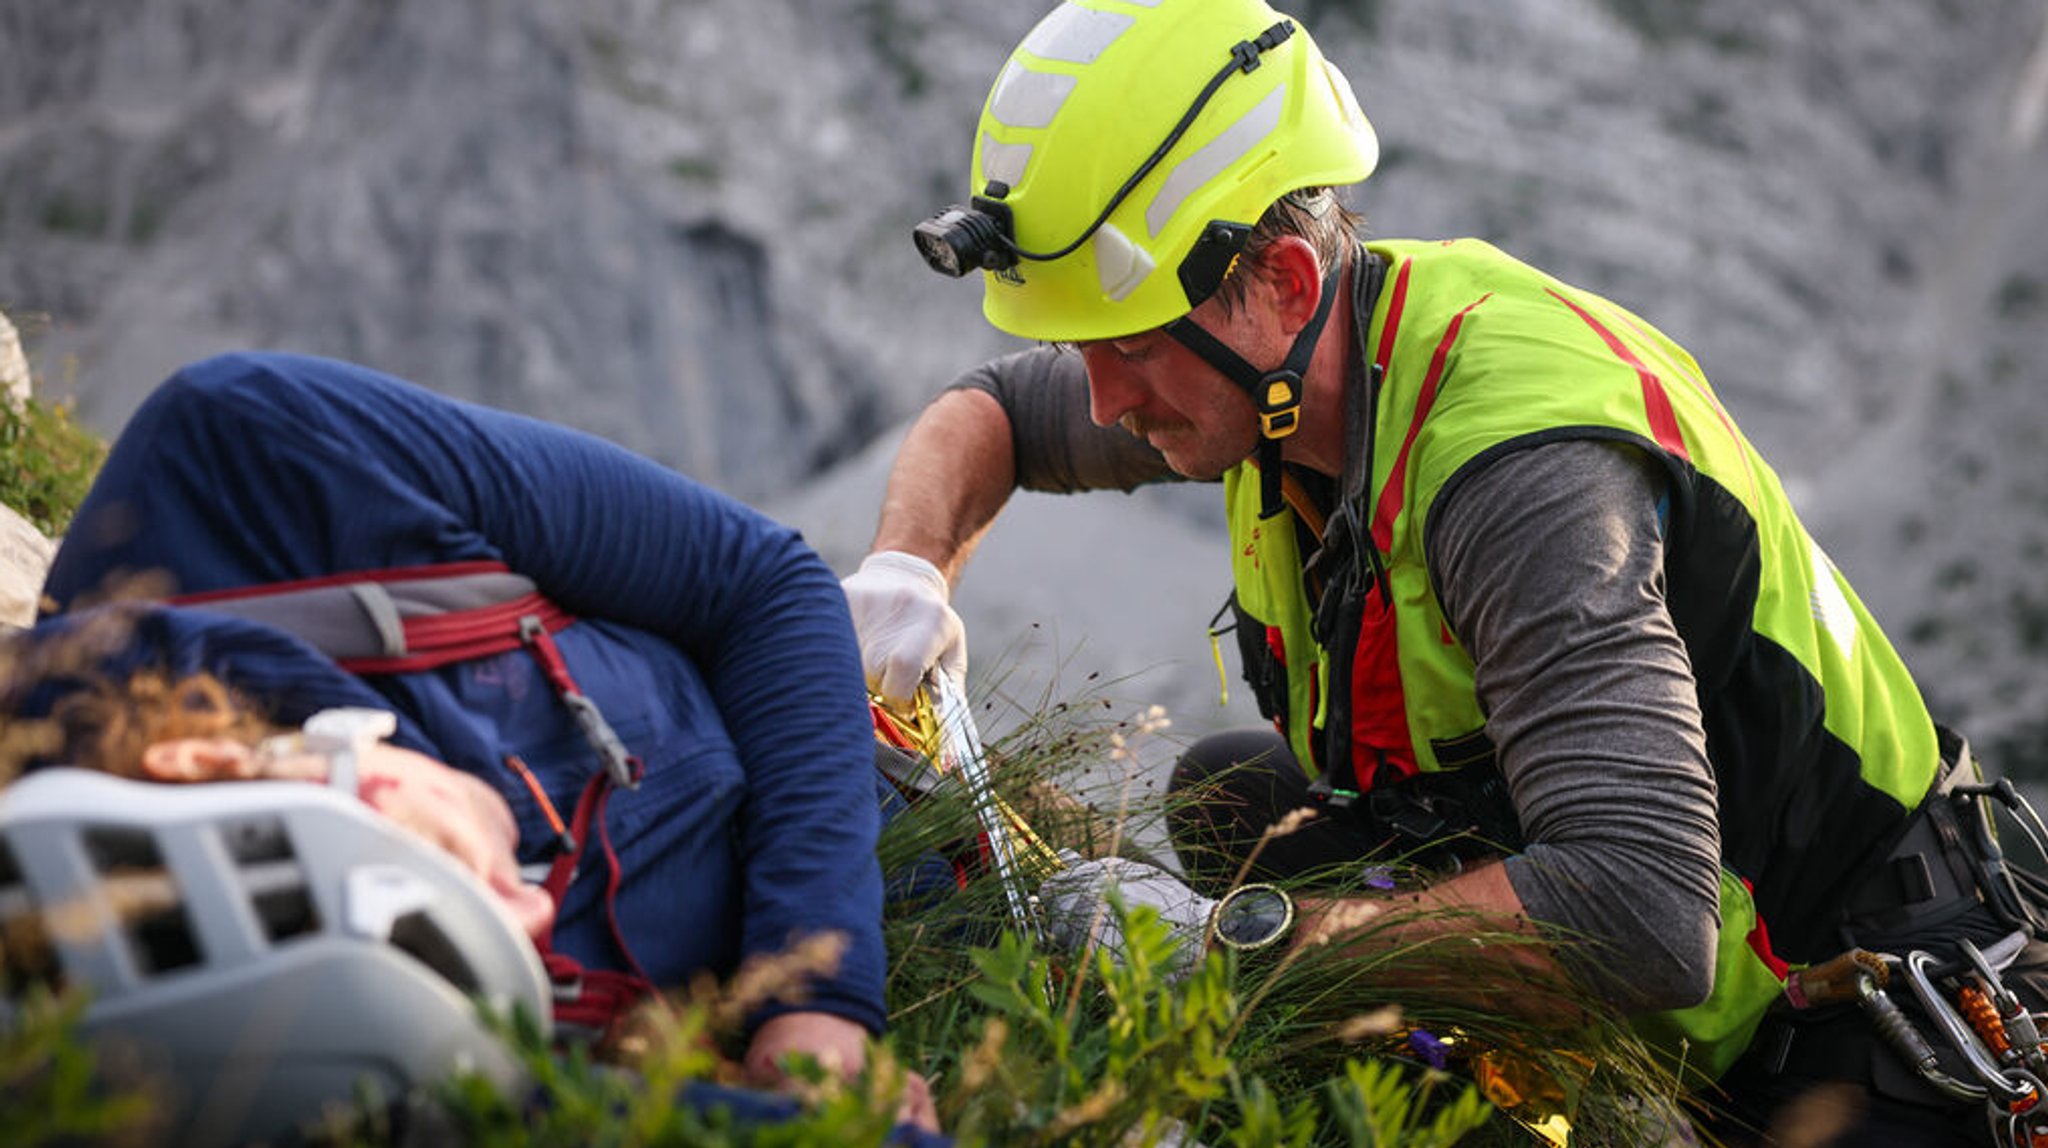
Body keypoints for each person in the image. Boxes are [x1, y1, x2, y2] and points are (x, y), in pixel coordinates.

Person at [841, 1, 2048, 1143]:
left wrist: (1228, 943)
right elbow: (992, 412)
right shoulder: (1265, 360)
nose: (1103, 401)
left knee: (1259, 880)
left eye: (1133, 350)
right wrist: (904, 567)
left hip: (1853, 1015)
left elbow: (1639, 908)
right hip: (1640, 935)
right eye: (1083, 349)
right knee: (1234, 800)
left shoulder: (1520, 476)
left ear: (1283, 285)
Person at [8, 350, 942, 1138]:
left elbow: (763, 584)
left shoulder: (252, 460)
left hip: (831, 743)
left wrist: (818, 994)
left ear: (214, 763)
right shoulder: (297, 1049)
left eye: (438, 881)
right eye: (474, 961)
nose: (527, 917)